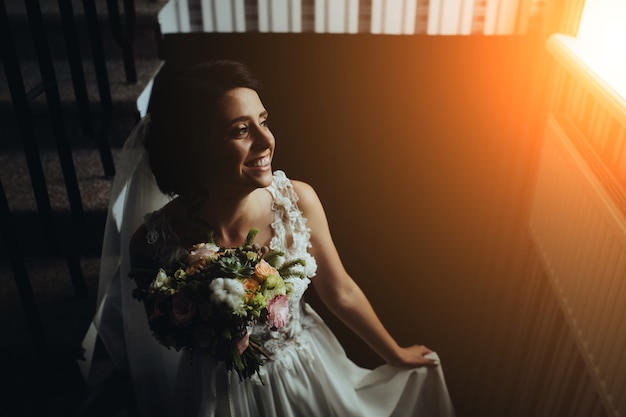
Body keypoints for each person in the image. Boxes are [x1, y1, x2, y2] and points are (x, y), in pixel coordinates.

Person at [83, 60, 456, 417]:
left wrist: (395, 354)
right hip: (215, 392)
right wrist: (211, 333)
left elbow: (339, 290)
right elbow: (159, 329)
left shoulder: (298, 201)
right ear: (198, 147)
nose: (266, 141)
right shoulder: (151, 243)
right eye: (241, 130)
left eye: (264, 122)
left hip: (305, 375)